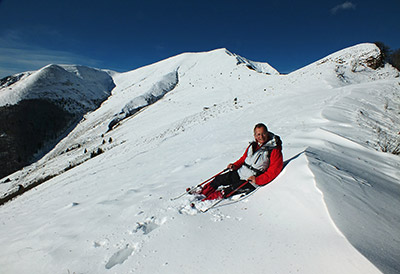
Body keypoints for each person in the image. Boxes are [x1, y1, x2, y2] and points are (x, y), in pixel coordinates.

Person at [200, 123, 283, 200]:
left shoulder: (274, 149)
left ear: (267, 133)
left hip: (251, 180)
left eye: (263, 133)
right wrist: (235, 165)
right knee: (220, 179)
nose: (261, 136)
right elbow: (243, 159)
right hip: (240, 173)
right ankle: (202, 193)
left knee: (228, 190)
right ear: (254, 136)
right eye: (258, 134)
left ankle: (207, 200)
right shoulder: (253, 145)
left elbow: (273, 171)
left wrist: (257, 180)